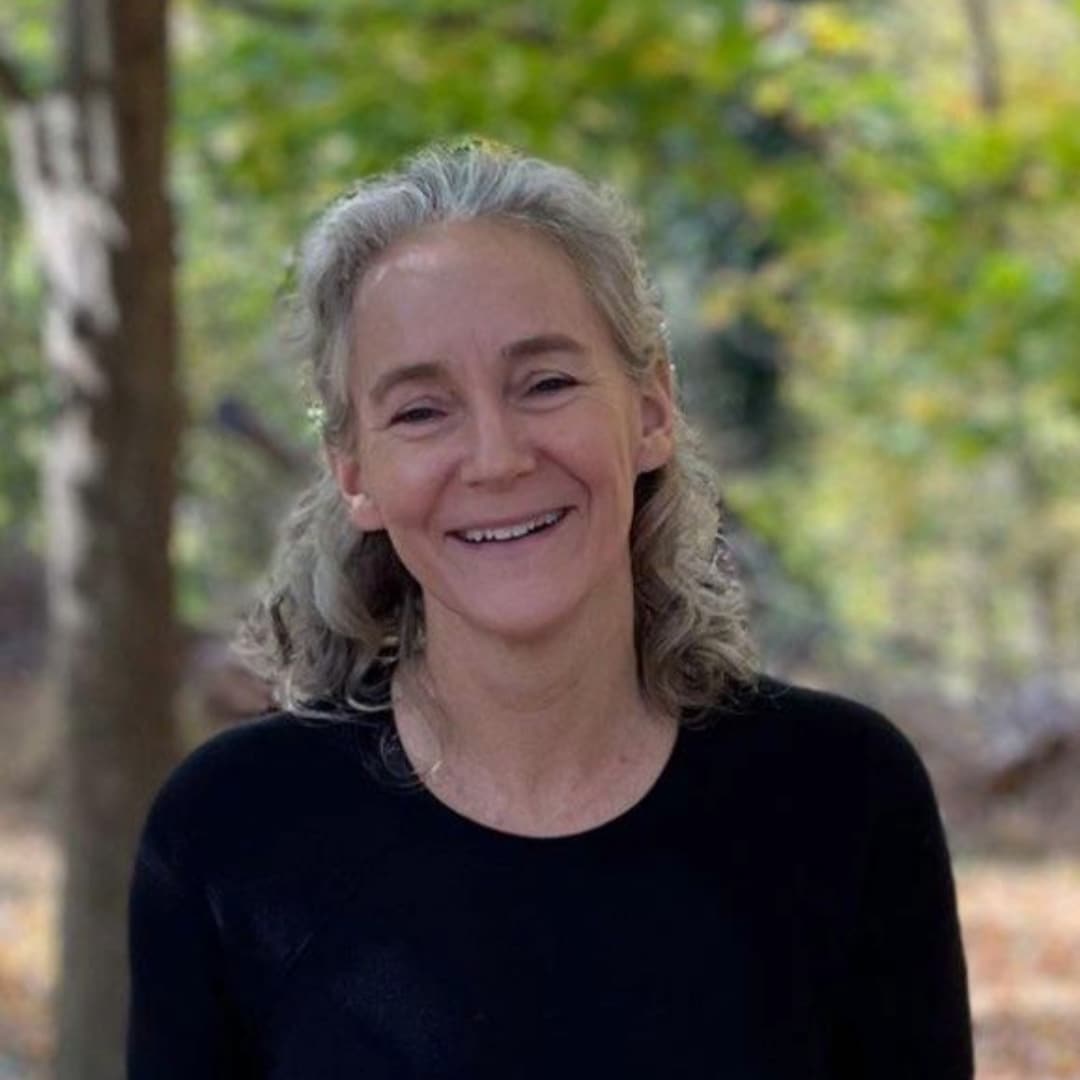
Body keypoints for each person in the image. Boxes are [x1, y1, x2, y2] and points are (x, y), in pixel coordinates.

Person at [127, 142, 973, 1079]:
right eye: (420, 411)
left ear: (651, 411)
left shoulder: (841, 797)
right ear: (355, 475)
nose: (496, 458)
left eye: (547, 383)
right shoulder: (232, 831)